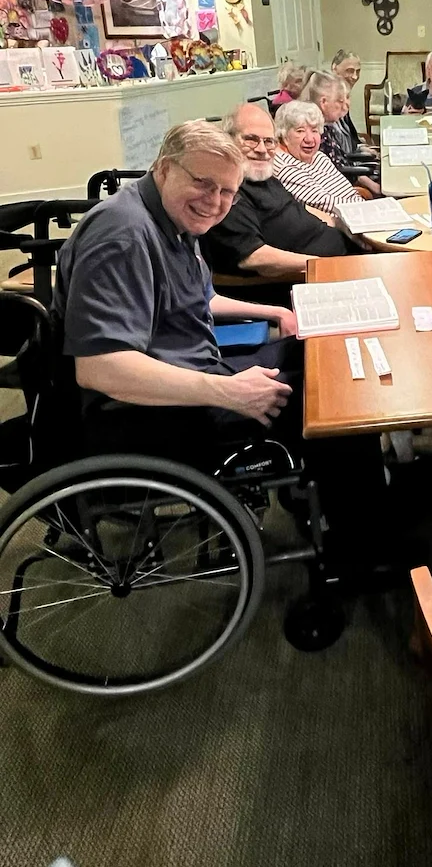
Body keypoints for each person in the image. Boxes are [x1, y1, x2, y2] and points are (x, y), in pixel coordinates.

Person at [51, 119, 386, 548]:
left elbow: (197, 298)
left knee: (325, 357)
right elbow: (100, 369)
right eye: (204, 184)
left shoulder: (169, 216)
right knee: (339, 404)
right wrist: (226, 392)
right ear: (164, 168)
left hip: (196, 369)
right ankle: (365, 546)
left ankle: (340, 506)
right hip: (149, 414)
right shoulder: (124, 235)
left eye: (228, 192)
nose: (216, 202)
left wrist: (273, 311)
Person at [201, 103, 357, 301]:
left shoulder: (262, 175)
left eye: (269, 142)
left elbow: (303, 207)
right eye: (250, 139)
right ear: (228, 140)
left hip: (342, 256)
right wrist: (320, 265)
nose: (262, 150)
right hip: (311, 281)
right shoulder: (226, 192)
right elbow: (254, 257)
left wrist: (343, 225)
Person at [274, 100, 364, 215]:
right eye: (300, 131)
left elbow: (349, 193)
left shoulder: (318, 156)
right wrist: (368, 210)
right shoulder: (285, 167)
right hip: (346, 224)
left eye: (314, 130)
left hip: (360, 213)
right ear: (284, 135)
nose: (309, 139)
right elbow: (327, 204)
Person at [300, 69, 380, 195]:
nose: (344, 107)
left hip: (351, 179)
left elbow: (343, 160)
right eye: (339, 101)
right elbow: (338, 172)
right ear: (323, 102)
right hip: (344, 191)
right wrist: (374, 187)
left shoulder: (328, 127)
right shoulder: (317, 136)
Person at [331, 48, 378, 157]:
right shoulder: (330, 99)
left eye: (358, 71)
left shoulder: (342, 95)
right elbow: (338, 150)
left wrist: (358, 145)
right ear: (334, 68)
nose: (355, 77)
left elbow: (347, 134)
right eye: (350, 70)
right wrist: (359, 150)